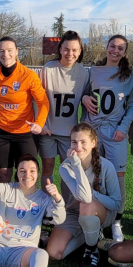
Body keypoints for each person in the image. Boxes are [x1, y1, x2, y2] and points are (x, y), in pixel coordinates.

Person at [81, 34, 133, 243]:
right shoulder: (93, 71)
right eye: (112, 46)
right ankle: (97, 217)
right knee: (93, 175)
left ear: (125, 52)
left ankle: (116, 221)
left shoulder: (130, 75)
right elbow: (83, 95)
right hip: (93, 131)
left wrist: (123, 127)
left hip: (115, 133)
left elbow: (132, 106)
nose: (115, 50)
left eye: (120, 48)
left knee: (117, 178)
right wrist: (85, 98)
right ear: (106, 47)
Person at [46, 123, 121, 267]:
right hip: (74, 213)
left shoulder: (106, 166)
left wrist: (95, 195)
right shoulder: (65, 167)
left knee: (87, 205)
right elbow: (83, 196)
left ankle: (91, 249)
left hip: (101, 213)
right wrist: (75, 165)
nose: (78, 147)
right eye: (74, 142)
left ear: (93, 143)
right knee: (54, 253)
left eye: (83, 142)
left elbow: (116, 204)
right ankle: (92, 235)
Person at [0, 36, 49, 182]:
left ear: (17, 52)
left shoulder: (28, 76)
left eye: (10, 50)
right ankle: (3, 204)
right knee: (2, 174)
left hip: (25, 132)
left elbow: (43, 102)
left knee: (26, 176)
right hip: (0, 131)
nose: (5, 54)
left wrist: (39, 124)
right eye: (1, 51)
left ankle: (22, 205)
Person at [39, 30, 90, 184]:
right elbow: (37, 99)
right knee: (47, 168)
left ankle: (69, 207)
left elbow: (87, 101)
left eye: (74, 50)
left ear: (80, 51)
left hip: (70, 132)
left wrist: (82, 127)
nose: (70, 53)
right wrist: (41, 124)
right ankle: (48, 202)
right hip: (47, 130)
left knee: (68, 169)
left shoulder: (83, 72)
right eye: (66, 49)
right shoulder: (48, 69)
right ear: (60, 49)